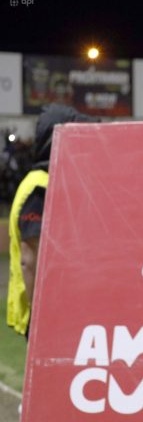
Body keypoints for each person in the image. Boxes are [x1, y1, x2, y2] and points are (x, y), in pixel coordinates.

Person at [6, 103, 97, 339]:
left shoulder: (51, 181)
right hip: (44, 321)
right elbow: (30, 260)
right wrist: (42, 324)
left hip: (56, 314)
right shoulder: (40, 187)